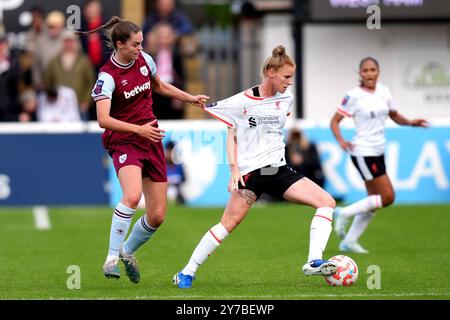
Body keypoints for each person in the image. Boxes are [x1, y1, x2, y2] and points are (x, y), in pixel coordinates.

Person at [173, 45, 337, 289]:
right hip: (251, 173)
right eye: (287, 76)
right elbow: (231, 135)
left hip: (279, 170)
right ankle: (186, 272)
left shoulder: (286, 99)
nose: (290, 82)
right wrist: (234, 170)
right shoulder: (241, 102)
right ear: (271, 72)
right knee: (227, 224)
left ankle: (313, 261)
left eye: (292, 77)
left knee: (327, 202)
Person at [77, 16, 208, 283]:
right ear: (119, 44)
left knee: (158, 215)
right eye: (136, 44)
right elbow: (102, 119)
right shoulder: (107, 76)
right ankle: (112, 257)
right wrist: (138, 130)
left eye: (141, 43)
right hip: (124, 139)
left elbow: (159, 86)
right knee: (133, 196)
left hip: (150, 138)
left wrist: (190, 98)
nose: (140, 48)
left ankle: (127, 251)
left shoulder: (145, 60)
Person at [330, 57, 429, 254]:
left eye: (372, 70)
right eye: (365, 70)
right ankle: (344, 212)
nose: (369, 73)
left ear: (378, 72)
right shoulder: (353, 96)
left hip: (378, 150)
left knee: (373, 201)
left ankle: (349, 241)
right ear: (360, 74)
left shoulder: (384, 91)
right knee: (388, 197)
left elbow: (394, 115)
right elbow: (334, 121)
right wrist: (341, 141)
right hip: (363, 152)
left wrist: (410, 122)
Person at [44, 29, 95, 121]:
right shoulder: (54, 62)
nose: (69, 44)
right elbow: (48, 82)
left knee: (80, 133)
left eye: (71, 41)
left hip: (79, 105)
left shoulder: (84, 61)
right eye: (66, 41)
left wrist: (86, 101)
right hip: (58, 107)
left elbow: (90, 83)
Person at [145, 22, 185, 119]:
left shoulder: (176, 55)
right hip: (155, 92)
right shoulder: (150, 55)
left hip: (171, 92)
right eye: (160, 37)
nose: (163, 40)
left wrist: (179, 96)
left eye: (167, 37)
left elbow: (181, 77)